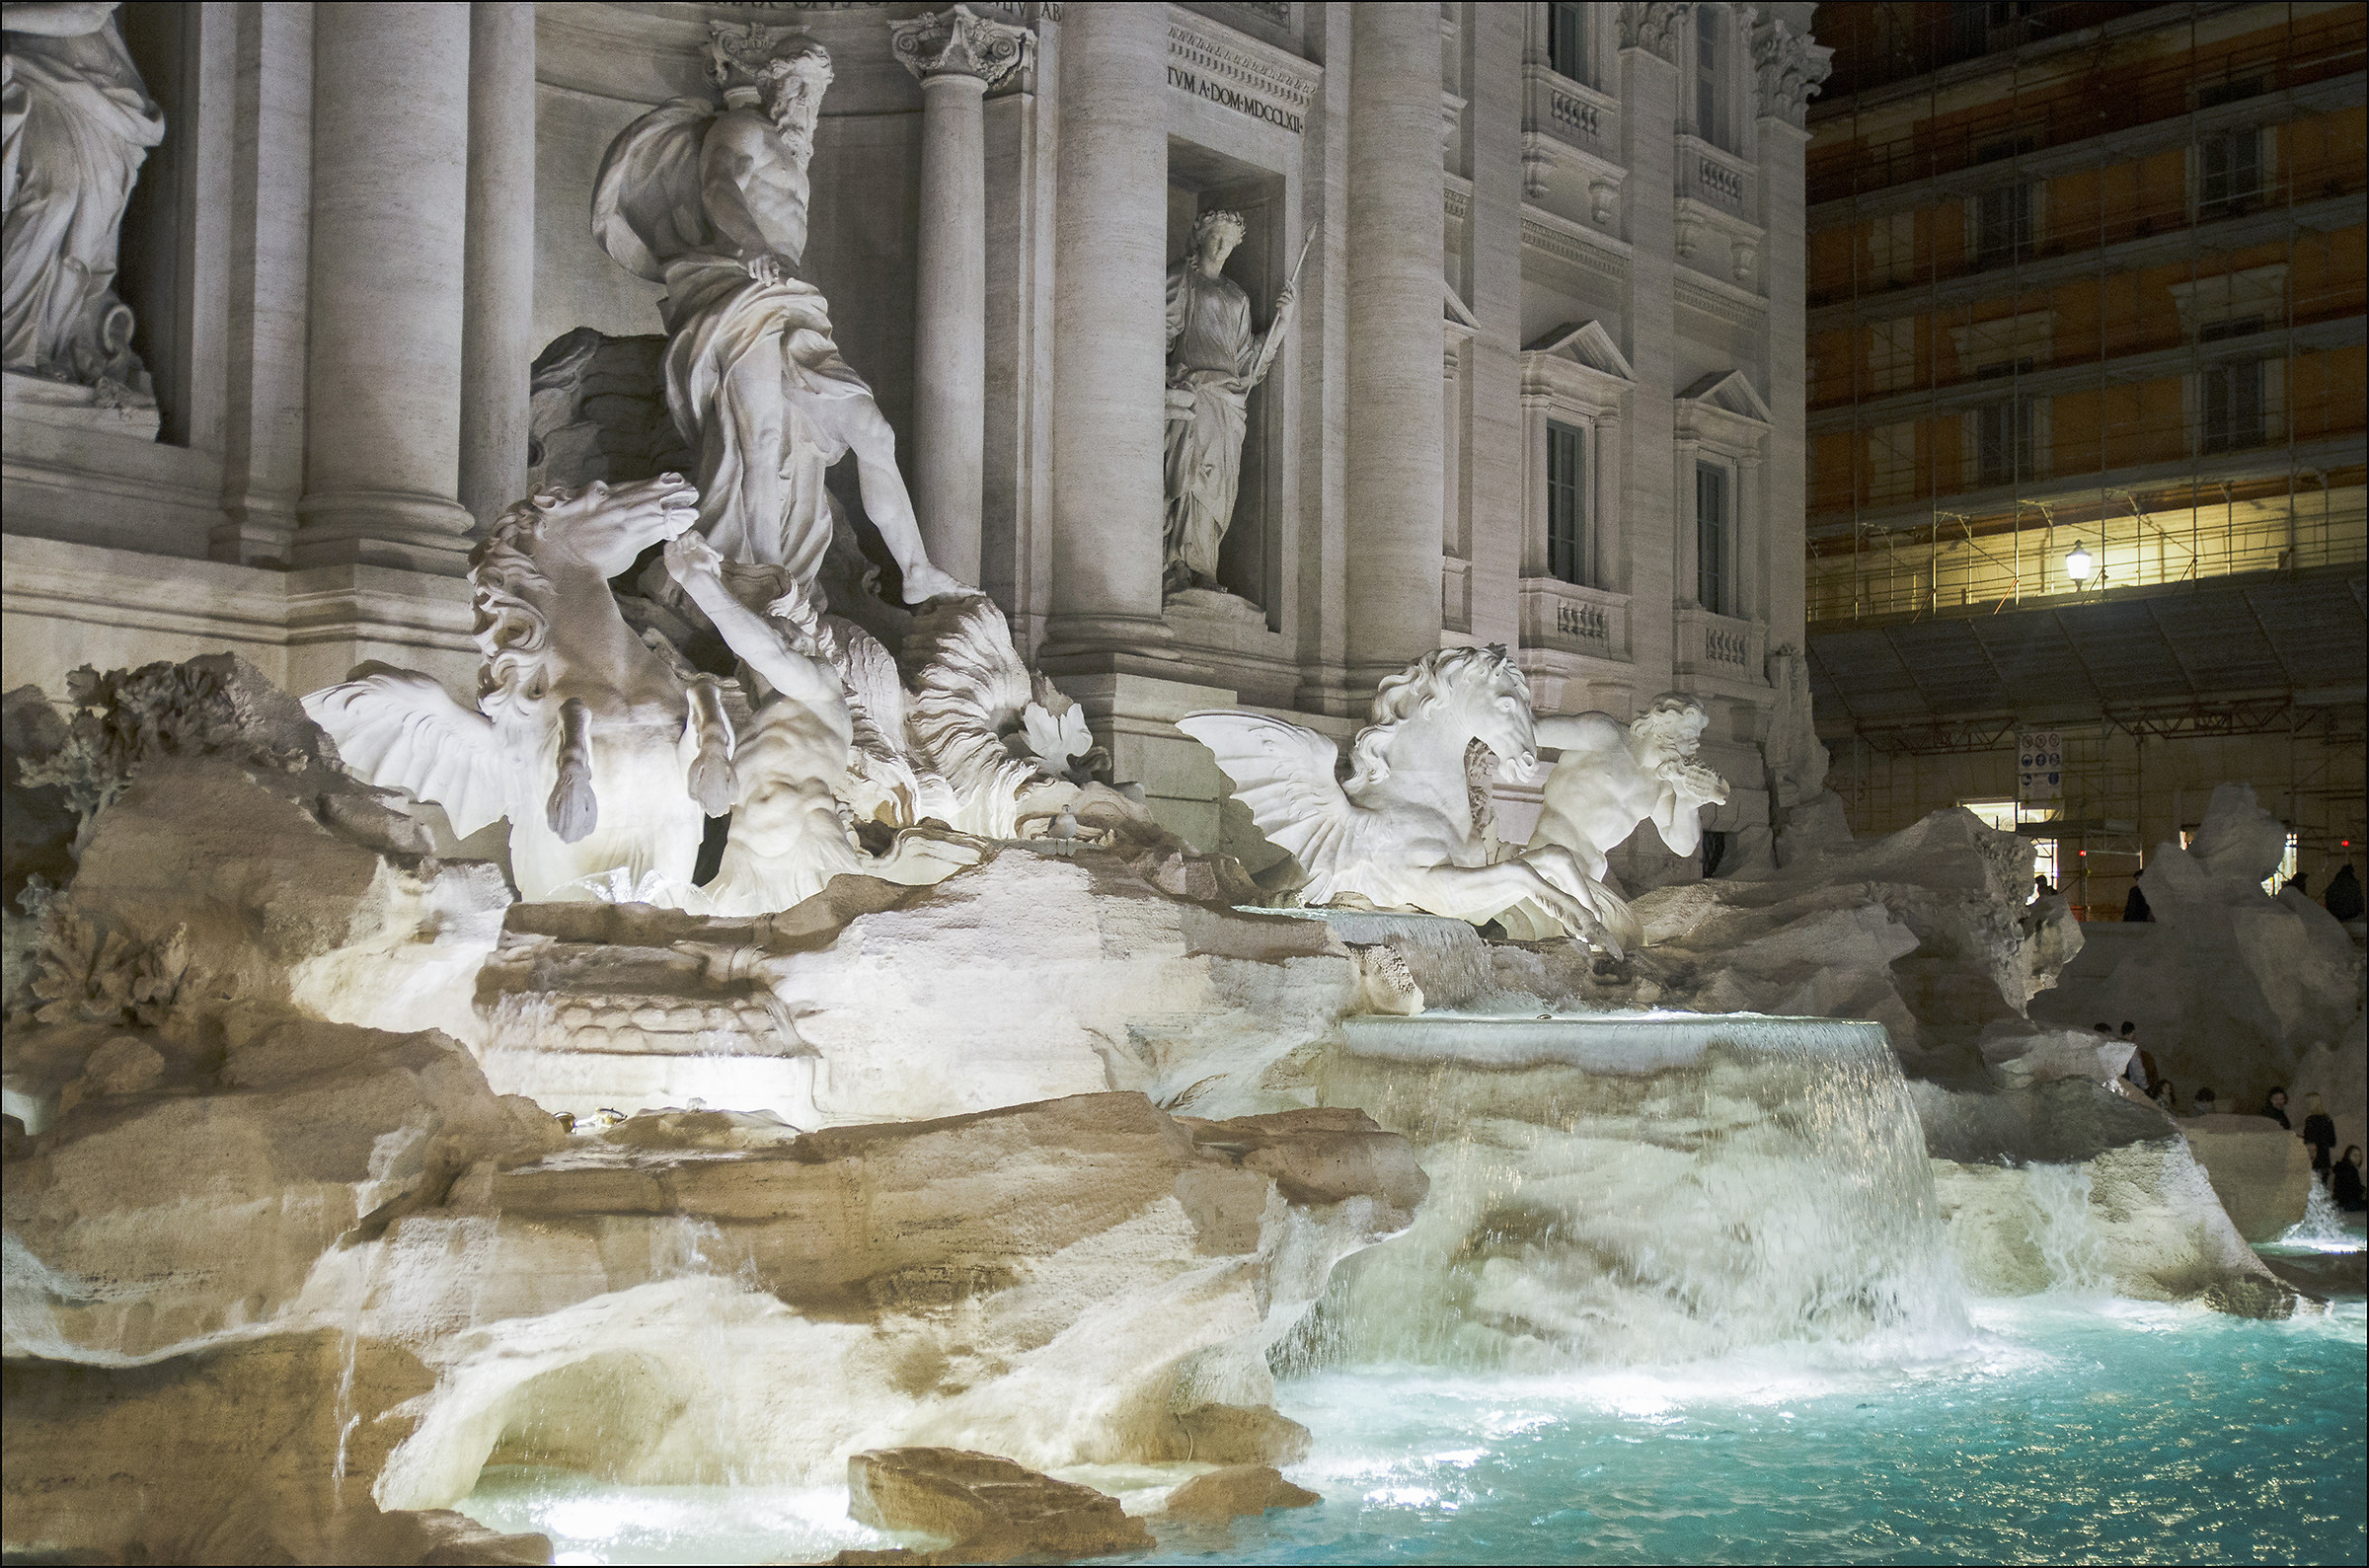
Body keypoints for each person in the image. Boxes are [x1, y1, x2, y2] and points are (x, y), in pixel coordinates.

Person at [590, 28, 966, 602]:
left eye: (812, 91)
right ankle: (761, 583)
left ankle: (915, 569)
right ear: (769, 87)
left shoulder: (792, 156)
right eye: (794, 87)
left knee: (871, 430)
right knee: (759, 439)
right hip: (741, 291)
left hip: (789, 301)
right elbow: (720, 189)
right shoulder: (739, 128)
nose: (802, 102)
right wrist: (751, 245)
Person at [2300, 1091, 2336, 1174]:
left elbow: (2309, 1141)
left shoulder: (2310, 1121)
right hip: (2325, 1160)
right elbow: (2332, 1142)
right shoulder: (2327, 1119)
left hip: (2314, 1160)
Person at [2332, 1146, 2365, 1213]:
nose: (2358, 1158)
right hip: (2348, 1202)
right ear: (2348, 1156)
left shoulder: (2341, 1168)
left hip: (2341, 1201)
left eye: (2359, 1156)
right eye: (2355, 1155)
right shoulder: (2350, 1169)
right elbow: (2353, 1188)